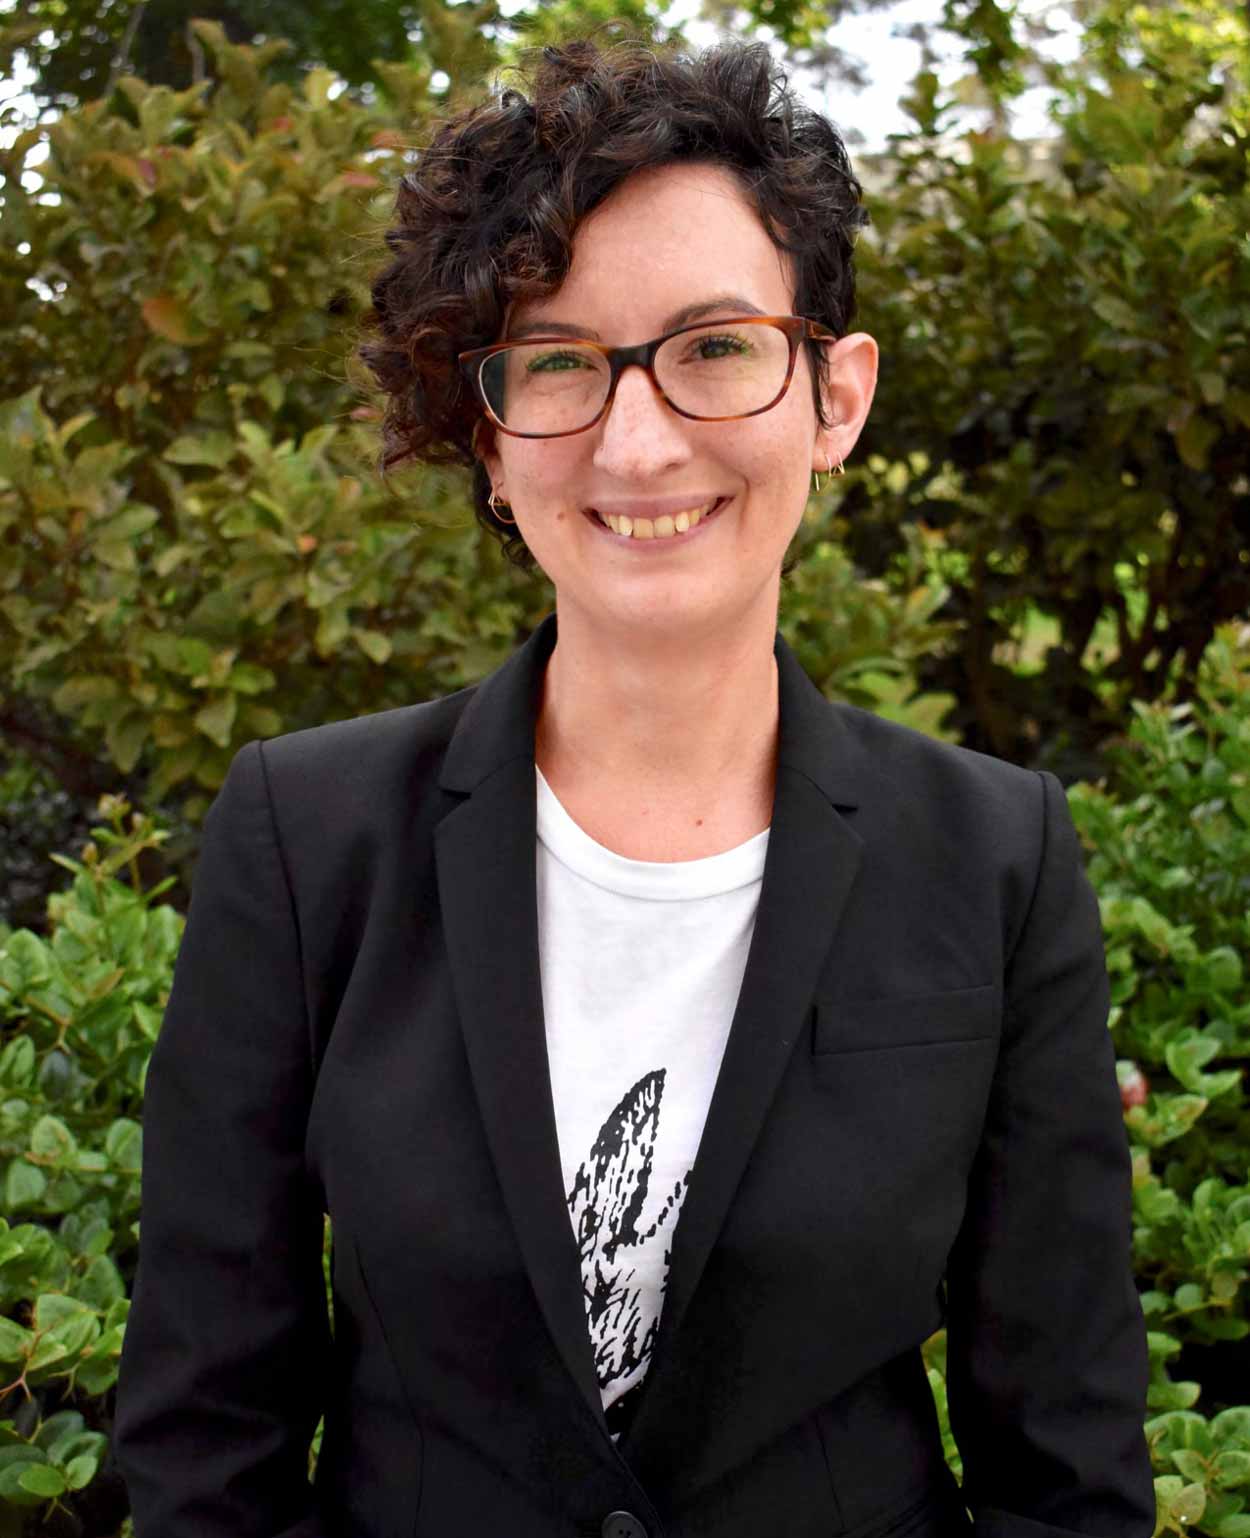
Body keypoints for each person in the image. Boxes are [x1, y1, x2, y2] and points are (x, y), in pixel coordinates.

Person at [113, 32, 1156, 1538]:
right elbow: (206, 1439)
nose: (639, 436)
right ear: (486, 430)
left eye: (713, 345)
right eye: (557, 361)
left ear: (834, 394)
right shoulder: (307, 837)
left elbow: (1064, 1463)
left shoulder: (995, 860)